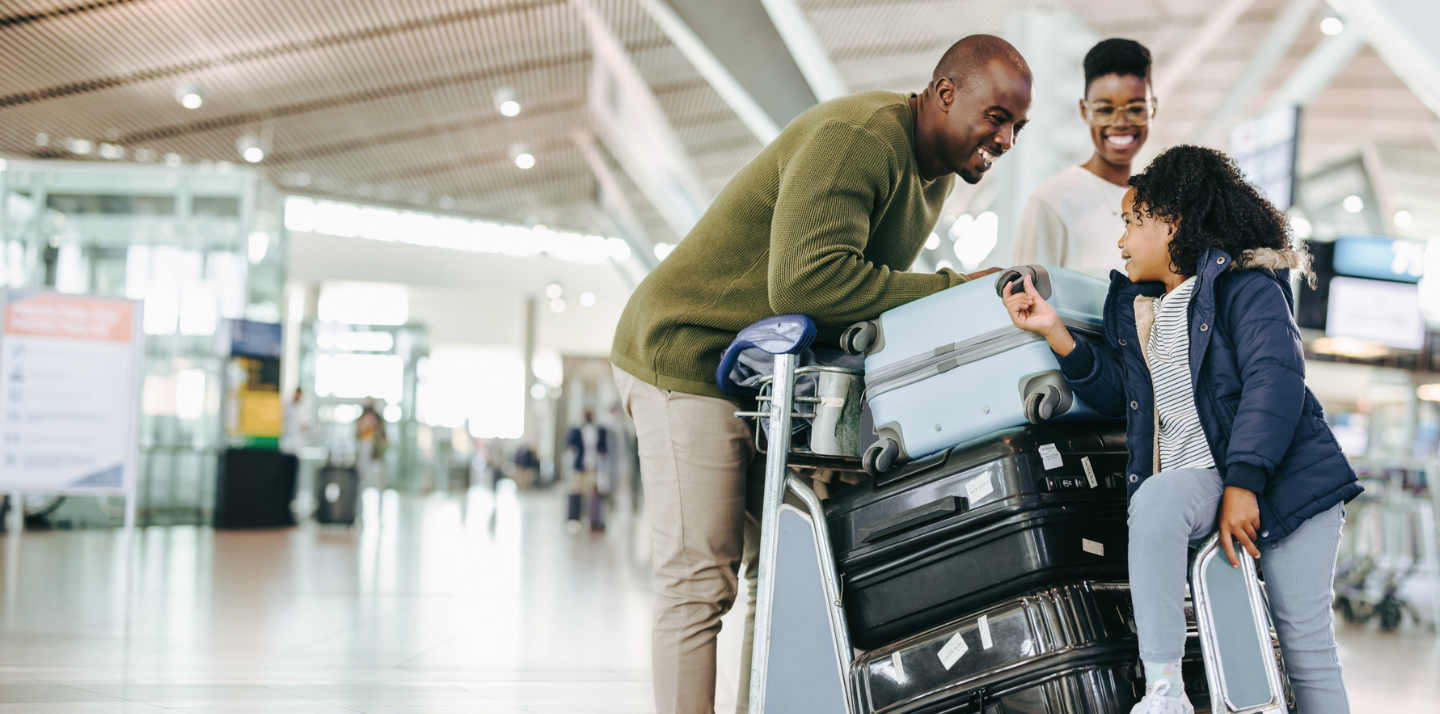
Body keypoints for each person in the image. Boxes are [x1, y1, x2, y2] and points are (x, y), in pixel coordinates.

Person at [610, 34, 1032, 714]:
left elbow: (865, 298)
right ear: (946, 93)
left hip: (761, 376)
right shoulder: (861, 137)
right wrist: (957, 290)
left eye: (1017, 126)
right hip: (686, 353)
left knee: (776, 573)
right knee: (700, 578)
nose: (1006, 138)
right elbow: (808, 284)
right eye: (997, 116)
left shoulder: (936, 174)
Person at [1001, 145, 1362, 713]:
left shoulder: (1247, 286)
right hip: (1206, 477)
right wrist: (1056, 334)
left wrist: (1244, 483)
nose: (1121, 241)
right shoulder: (1145, 309)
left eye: (1131, 222)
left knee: (1304, 644)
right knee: (1158, 500)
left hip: (1290, 483)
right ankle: (1164, 691)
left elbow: (1276, 381)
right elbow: (1125, 395)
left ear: (1171, 223)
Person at [1010, 38, 1155, 278]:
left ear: (1153, 109)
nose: (1120, 123)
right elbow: (1021, 306)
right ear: (1084, 111)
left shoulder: (1159, 204)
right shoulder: (1052, 202)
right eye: (1105, 110)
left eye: (1135, 109)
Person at [565, 410, 609, 532]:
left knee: (594, 493)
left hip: (594, 467)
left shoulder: (599, 431)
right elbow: (569, 445)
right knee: (576, 491)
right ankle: (574, 520)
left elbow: (604, 447)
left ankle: (594, 521)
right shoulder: (576, 430)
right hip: (580, 466)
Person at [355, 398, 388, 491]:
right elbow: (357, 433)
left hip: (375, 448)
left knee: (377, 472)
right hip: (364, 444)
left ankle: (380, 492)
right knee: (361, 471)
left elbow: (383, 433)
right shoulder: (361, 418)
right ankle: (360, 491)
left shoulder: (378, 418)